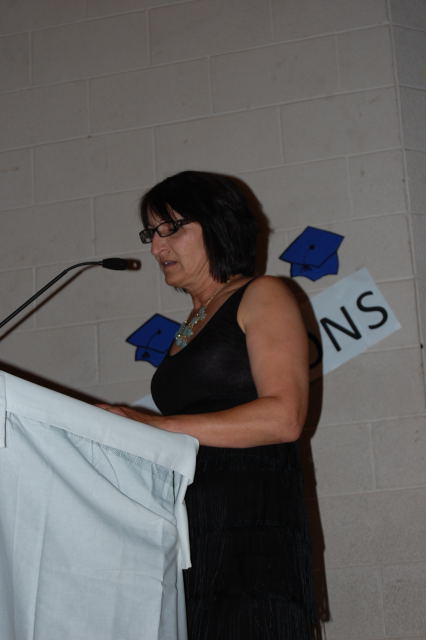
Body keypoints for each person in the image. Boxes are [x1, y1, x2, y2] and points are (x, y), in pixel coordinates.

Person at [99, 171, 318, 639]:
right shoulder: (190, 324)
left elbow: (284, 418)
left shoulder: (263, 294)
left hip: (250, 521)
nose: (157, 248)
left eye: (171, 228)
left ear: (218, 224)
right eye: (151, 234)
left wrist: (153, 426)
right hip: (194, 524)